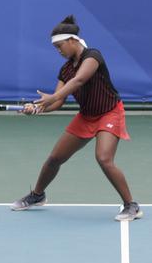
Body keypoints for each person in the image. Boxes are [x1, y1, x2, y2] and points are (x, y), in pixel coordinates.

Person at [11, 15, 141, 221]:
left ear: (72, 40)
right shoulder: (65, 70)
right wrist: (35, 108)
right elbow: (57, 103)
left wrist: (51, 97)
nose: (58, 51)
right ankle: (38, 195)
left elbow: (79, 80)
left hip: (110, 113)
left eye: (60, 46)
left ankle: (131, 205)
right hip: (86, 116)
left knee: (104, 158)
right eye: (56, 48)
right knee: (55, 159)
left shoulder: (93, 56)